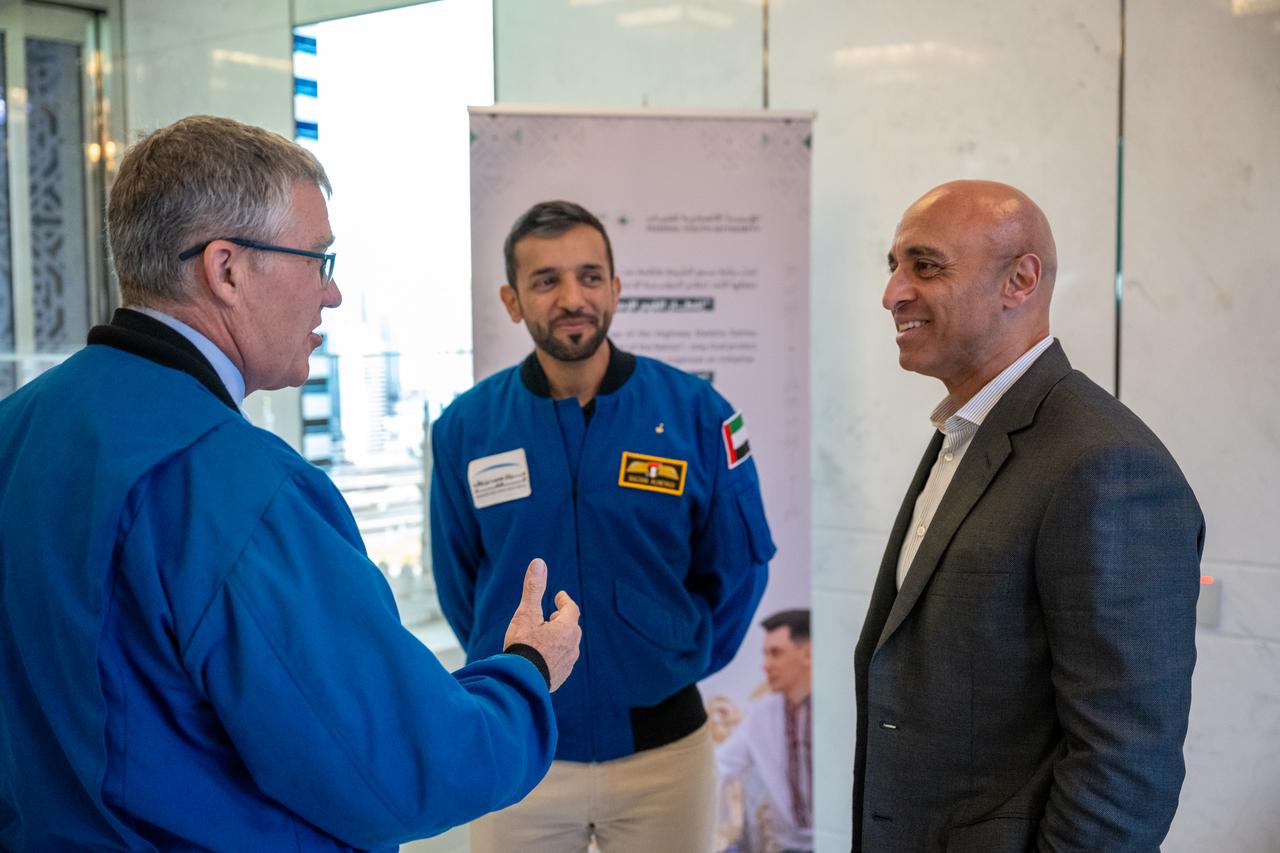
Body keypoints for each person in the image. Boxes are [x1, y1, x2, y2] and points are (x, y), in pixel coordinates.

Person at [0, 115, 581, 852]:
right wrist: (526, 669)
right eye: (318, 259)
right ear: (226, 270)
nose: (330, 295)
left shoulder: (17, 429)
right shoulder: (233, 487)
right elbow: (404, 772)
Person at [853, 180, 1204, 852]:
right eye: (893, 265)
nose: (892, 293)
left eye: (925, 266)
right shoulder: (967, 429)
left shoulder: (1106, 464)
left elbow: (1127, 764)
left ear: (1020, 281)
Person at [430, 199, 775, 852]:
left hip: (664, 757)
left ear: (615, 288)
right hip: (520, 749)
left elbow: (738, 569)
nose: (572, 298)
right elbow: (459, 583)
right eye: (546, 280)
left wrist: (674, 652)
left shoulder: (699, 415)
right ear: (512, 301)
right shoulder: (465, 429)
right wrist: (519, 675)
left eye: (589, 276)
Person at [716, 609, 812, 853]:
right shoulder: (760, 714)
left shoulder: (837, 712)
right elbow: (720, 766)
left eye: (776, 653)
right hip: (787, 847)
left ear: (808, 654)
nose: (766, 665)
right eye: (765, 654)